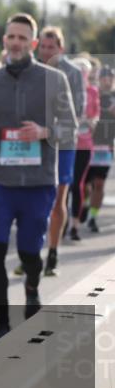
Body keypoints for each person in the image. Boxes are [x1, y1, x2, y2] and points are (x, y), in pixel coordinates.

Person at [0, 13, 77, 344]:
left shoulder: (53, 79)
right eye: (11, 37)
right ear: (4, 41)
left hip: (38, 183)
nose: (16, 43)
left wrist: (46, 131)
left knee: (30, 252)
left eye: (22, 38)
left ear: (32, 43)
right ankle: (2, 325)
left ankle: (32, 287)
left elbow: (72, 128)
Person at [33, 26, 85, 277]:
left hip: (63, 142)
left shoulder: (73, 74)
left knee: (58, 199)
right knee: (34, 199)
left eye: (51, 47)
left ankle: (53, 251)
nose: (45, 51)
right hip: (33, 142)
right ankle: (31, 250)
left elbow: (76, 112)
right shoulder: (30, 70)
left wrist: (48, 129)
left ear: (60, 49)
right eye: (42, 46)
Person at [67, 57, 99, 242]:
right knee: (64, 184)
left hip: (85, 143)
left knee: (78, 183)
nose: (81, 73)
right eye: (77, 70)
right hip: (65, 143)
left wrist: (89, 122)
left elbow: (96, 117)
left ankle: (75, 225)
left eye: (84, 70)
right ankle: (60, 221)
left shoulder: (93, 92)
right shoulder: (65, 91)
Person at [86, 66, 115, 232]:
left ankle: (93, 216)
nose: (107, 80)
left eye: (110, 77)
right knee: (85, 183)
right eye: (104, 77)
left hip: (106, 146)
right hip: (88, 146)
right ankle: (83, 204)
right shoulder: (93, 94)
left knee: (99, 184)